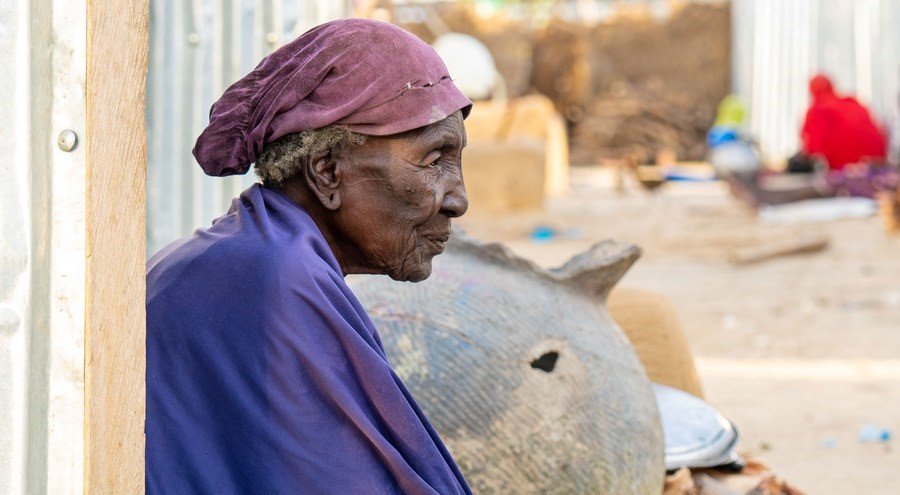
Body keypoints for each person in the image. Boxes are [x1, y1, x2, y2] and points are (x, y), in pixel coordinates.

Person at [146, 19, 473, 494]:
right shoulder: (273, 278)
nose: (458, 199)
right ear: (326, 173)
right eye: (433, 160)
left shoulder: (252, 251)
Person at [789, 74, 887, 173]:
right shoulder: (852, 102)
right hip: (877, 162)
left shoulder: (817, 110)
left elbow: (811, 147)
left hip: (846, 167)